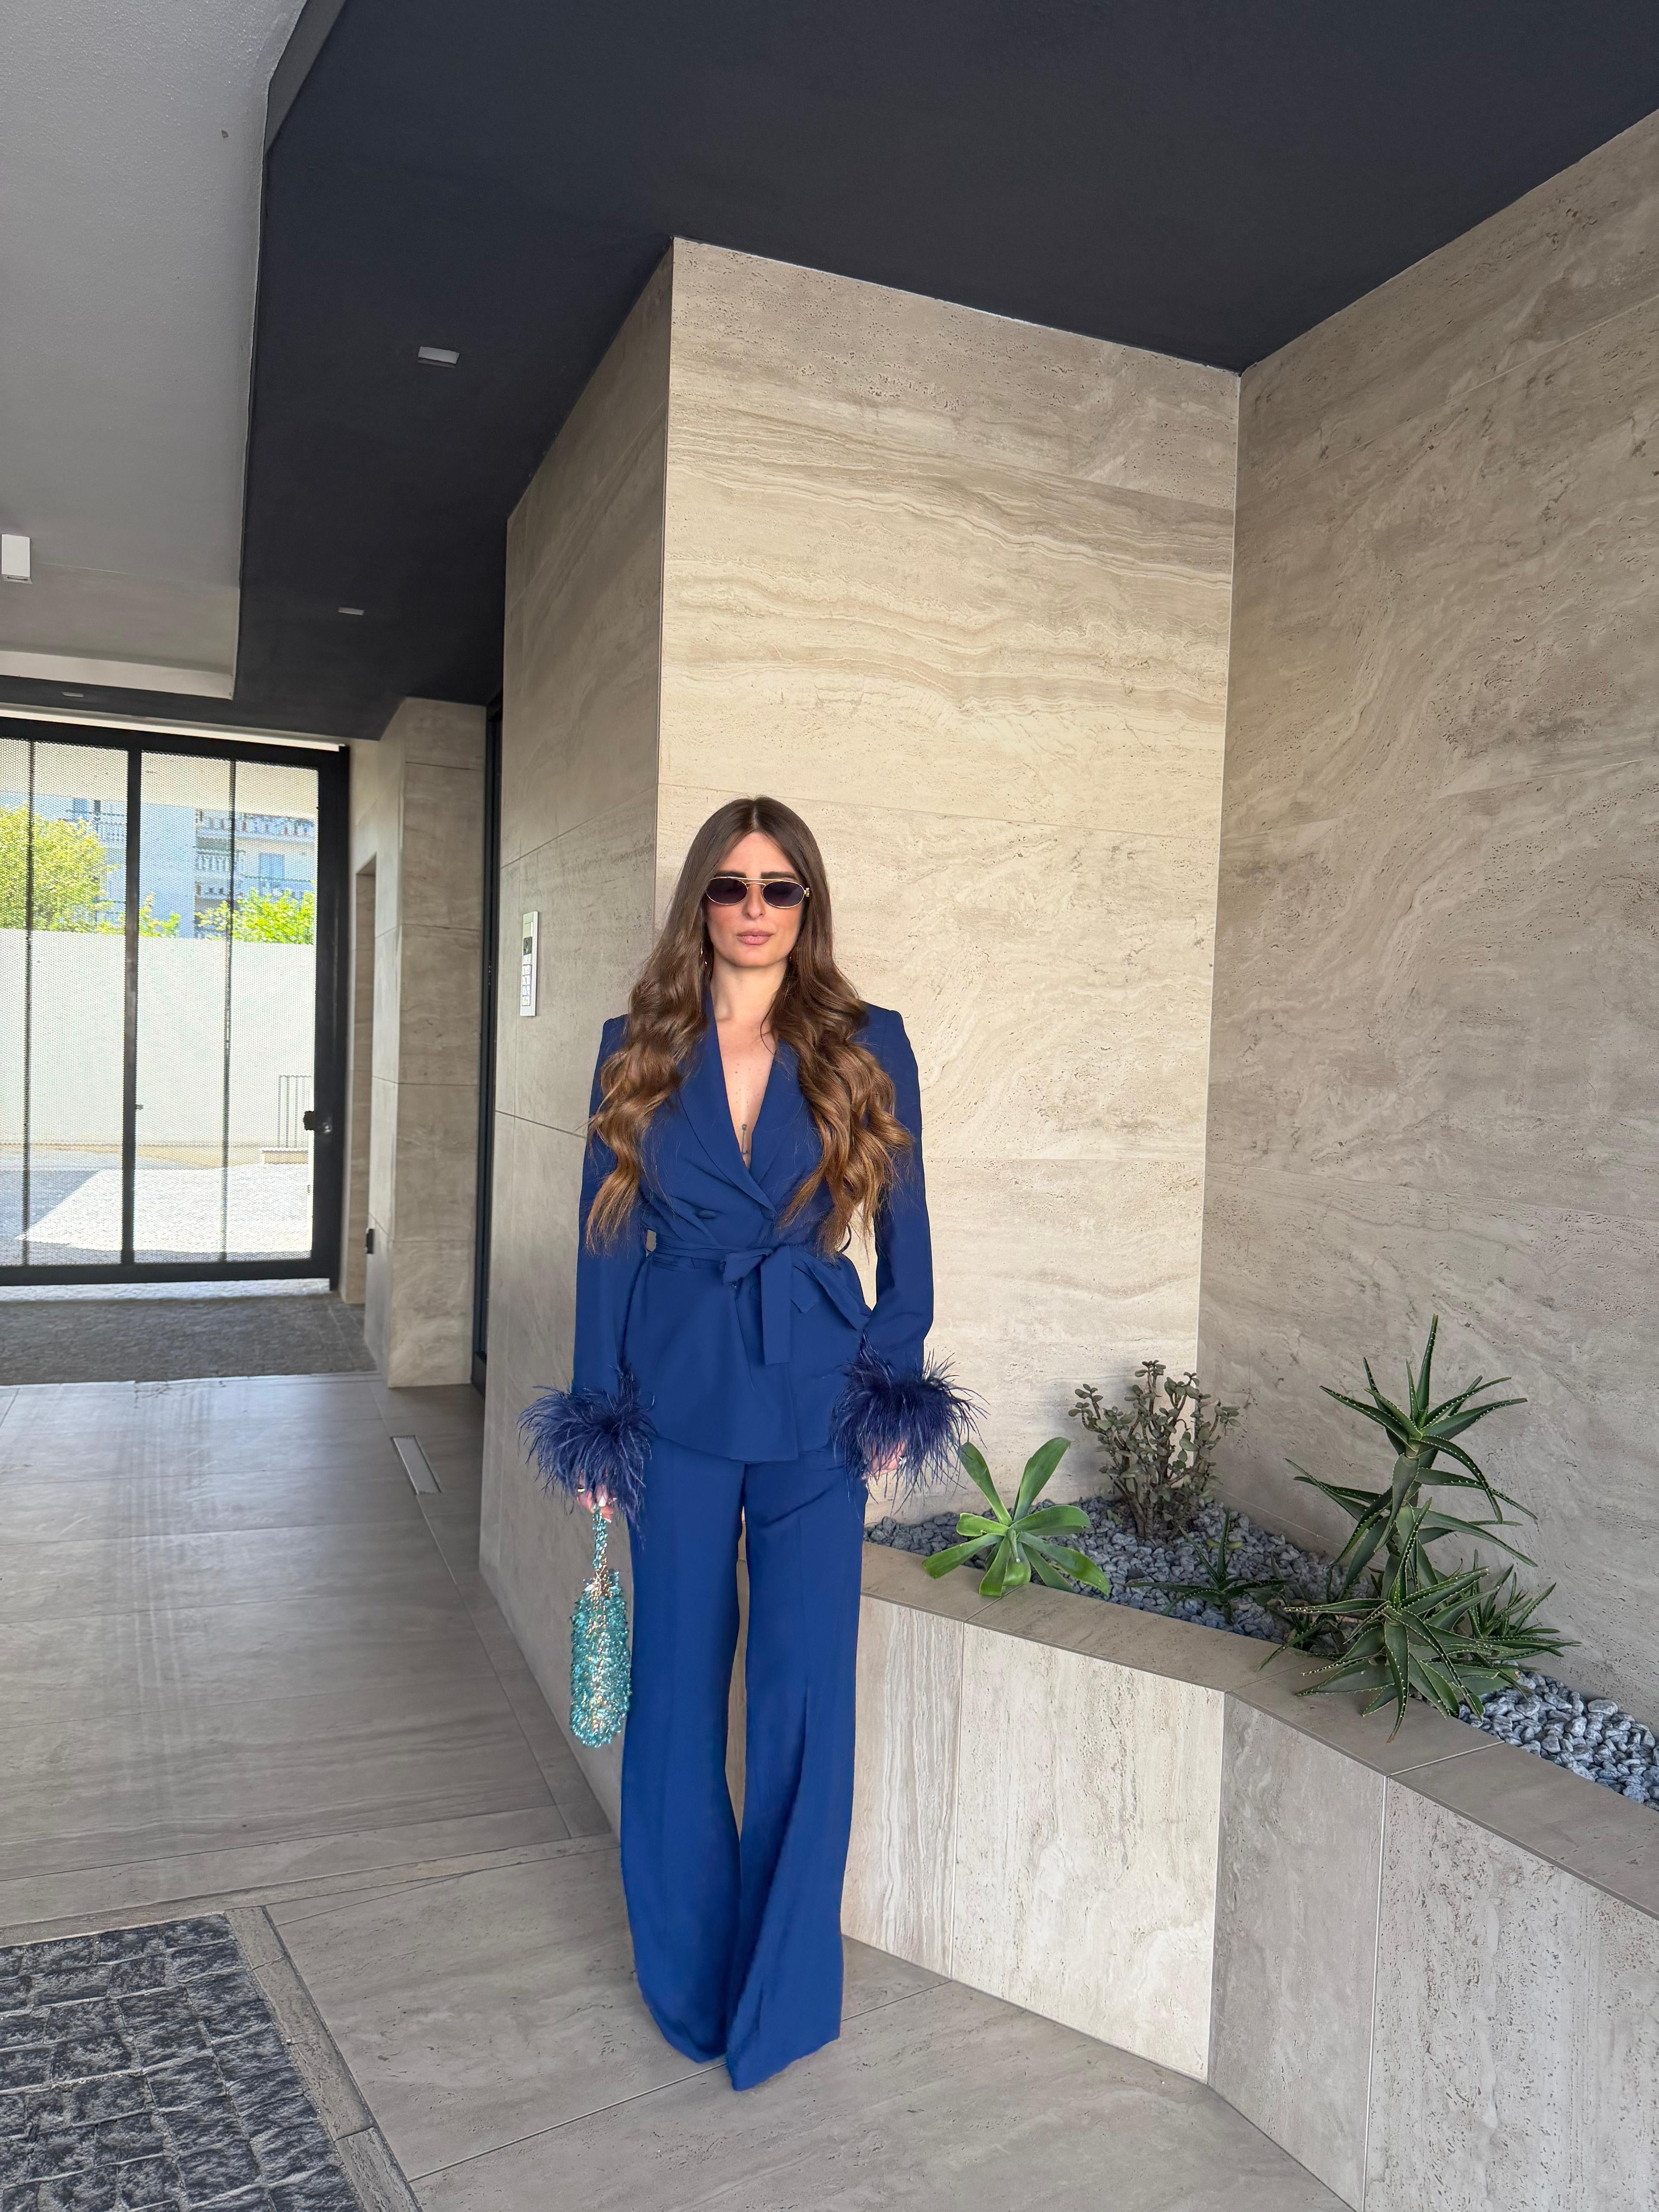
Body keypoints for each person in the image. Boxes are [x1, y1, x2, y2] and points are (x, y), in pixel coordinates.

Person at [522, 793, 972, 2091]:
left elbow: (909, 1232)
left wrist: (891, 1387)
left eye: (780, 888)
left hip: (818, 1398)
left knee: (802, 1697)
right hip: (672, 1398)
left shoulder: (866, 1041)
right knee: (673, 1691)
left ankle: (780, 1997)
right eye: (733, 886)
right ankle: (688, 1983)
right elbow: (607, 1236)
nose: (757, 909)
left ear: (807, 904)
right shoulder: (635, 1046)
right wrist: (598, 1417)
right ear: (702, 903)